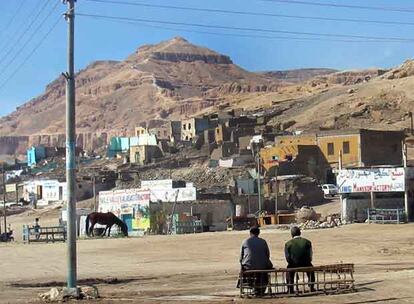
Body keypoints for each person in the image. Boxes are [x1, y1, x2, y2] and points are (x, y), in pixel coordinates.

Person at [239, 227, 273, 296]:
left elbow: (241, 258)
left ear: (250, 233)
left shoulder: (245, 241)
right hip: (262, 267)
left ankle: (250, 286)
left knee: (245, 269)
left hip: (249, 267)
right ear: (258, 233)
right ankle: (260, 288)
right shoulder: (263, 241)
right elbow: (267, 255)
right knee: (265, 269)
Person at [284, 226, 315, 294]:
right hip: (306, 263)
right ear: (300, 233)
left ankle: (290, 288)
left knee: (289, 271)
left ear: (291, 234)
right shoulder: (307, 242)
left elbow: (287, 257)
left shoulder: (288, 244)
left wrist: (291, 263)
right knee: (311, 270)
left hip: (293, 265)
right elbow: (310, 254)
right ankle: (311, 286)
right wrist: (308, 261)